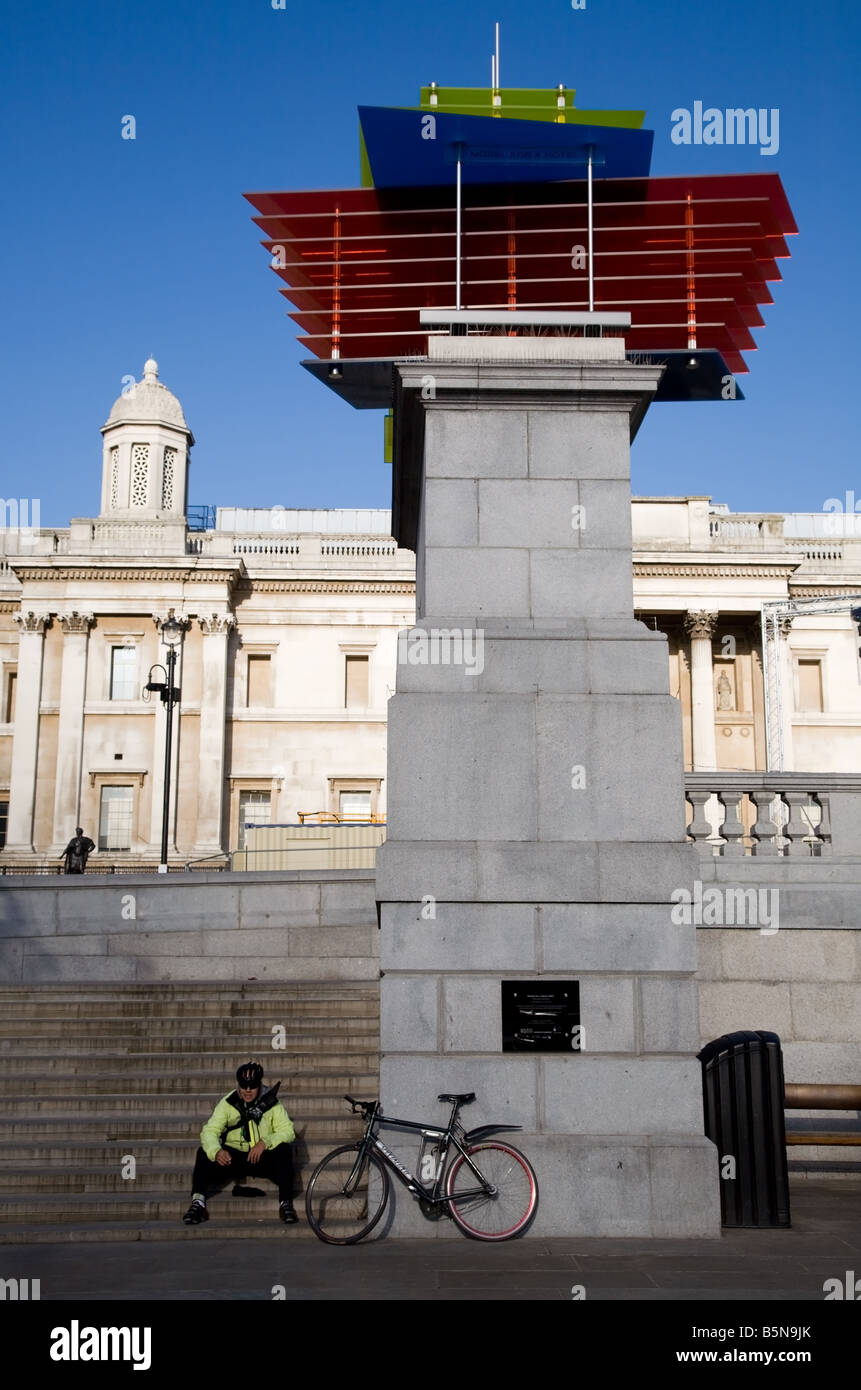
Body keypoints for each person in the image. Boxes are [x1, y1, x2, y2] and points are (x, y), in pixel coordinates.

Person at [182, 1061, 298, 1225]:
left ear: (259, 1084)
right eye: (244, 1086)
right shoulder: (228, 1102)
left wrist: (265, 1143)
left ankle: (286, 1204)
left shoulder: (271, 1102)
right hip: (233, 1157)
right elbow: (209, 1131)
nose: (248, 1091)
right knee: (203, 1153)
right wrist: (216, 1151)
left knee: (284, 1150)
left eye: (252, 1086)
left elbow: (288, 1131)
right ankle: (198, 1203)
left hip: (260, 1157)